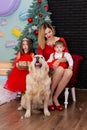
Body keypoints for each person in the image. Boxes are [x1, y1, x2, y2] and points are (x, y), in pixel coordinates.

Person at [38, 22, 73, 111]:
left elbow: (67, 55)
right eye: (45, 34)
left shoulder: (61, 40)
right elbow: (41, 60)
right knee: (60, 69)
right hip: (49, 69)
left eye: (49, 32)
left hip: (61, 65)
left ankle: (54, 97)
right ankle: (49, 96)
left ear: (52, 30)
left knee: (69, 72)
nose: (48, 35)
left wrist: (59, 60)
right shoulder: (42, 44)